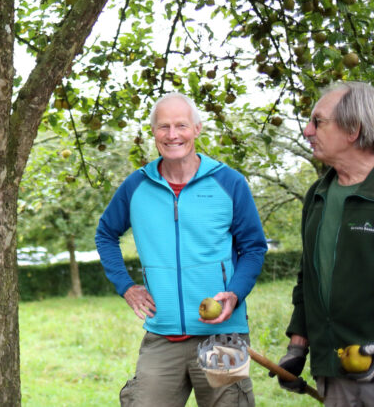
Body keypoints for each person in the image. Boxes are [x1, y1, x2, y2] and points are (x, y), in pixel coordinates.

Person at [95, 93, 267, 406]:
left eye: (181, 126)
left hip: (223, 335)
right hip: (163, 334)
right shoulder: (136, 186)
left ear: (197, 129)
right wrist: (126, 286)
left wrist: (235, 293)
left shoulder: (229, 182)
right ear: (153, 132)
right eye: (164, 127)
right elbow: (105, 234)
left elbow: (254, 247)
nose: (172, 135)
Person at [275, 82, 374, 406]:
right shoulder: (318, 195)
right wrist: (297, 347)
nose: (307, 131)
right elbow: (309, 278)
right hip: (335, 369)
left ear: (353, 129)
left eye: (318, 122)